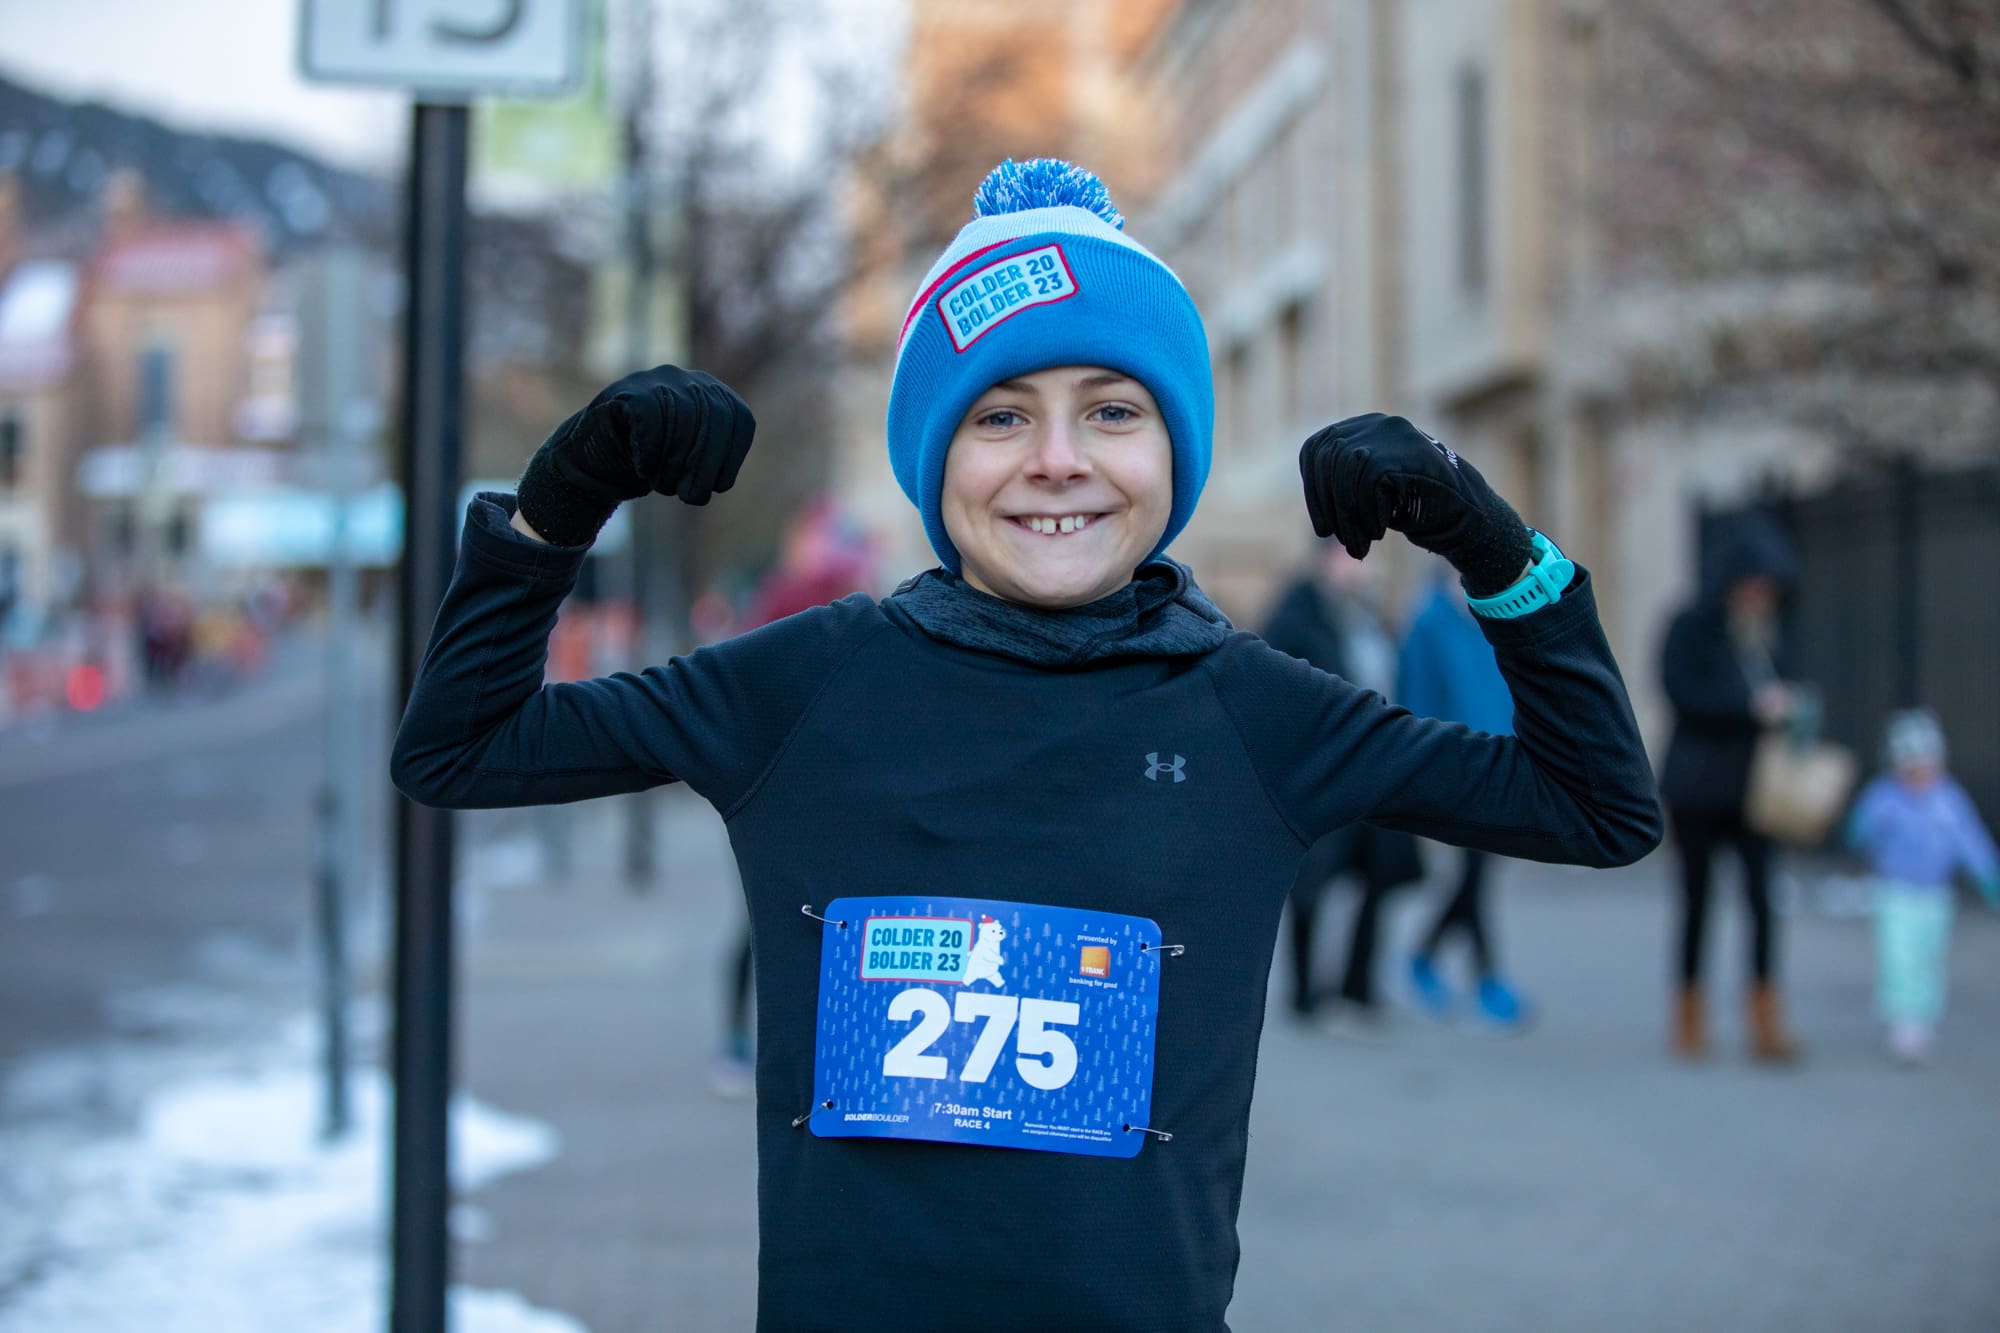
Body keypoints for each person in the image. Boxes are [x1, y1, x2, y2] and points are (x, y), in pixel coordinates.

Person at [392, 158, 1660, 1330]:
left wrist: (1489, 543)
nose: (1058, 462)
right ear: (932, 459)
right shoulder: (812, 682)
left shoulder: (1256, 710)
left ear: (1174, 450)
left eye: (1111, 411)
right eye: (999, 417)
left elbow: (1595, 806)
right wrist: (561, 499)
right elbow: (462, 746)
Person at [713, 498, 880, 1098]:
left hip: (812, 786)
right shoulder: (804, 598)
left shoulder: (846, 600)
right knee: (788, 920)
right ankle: (749, 1046)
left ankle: (754, 1046)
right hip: (795, 785)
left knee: (782, 920)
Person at [1659, 514, 1804, 1063]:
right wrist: (1748, 708)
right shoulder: (1689, 626)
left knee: (1763, 902)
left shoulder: (1766, 637)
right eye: (1754, 585)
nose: (1761, 596)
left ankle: (1764, 1019)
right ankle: (1689, 1014)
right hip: (1698, 789)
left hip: (1756, 792)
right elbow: (1681, 692)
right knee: (1697, 902)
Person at [1258, 543, 1421, 1027]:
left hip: (1374, 771)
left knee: (1383, 874)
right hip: (1322, 773)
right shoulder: (1297, 612)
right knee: (1312, 883)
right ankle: (1305, 993)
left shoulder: (1364, 614)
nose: (1364, 568)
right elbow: (1273, 688)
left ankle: (1358, 985)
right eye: (1355, 558)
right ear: (1328, 559)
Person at [1398, 564, 1533, 1029]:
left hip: (1502, 764)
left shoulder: (1489, 617)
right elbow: (1413, 701)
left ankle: (1426, 957)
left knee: (1477, 876)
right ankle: (1486, 979)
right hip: (1455, 767)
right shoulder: (1428, 624)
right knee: (1475, 874)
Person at [1846, 709, 2000, 1065]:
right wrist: (1861, 826)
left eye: (1926, 764)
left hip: (1935, 894)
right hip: (1895, 893)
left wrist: (1989, 875)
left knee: (1929, 956)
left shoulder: (1949, 799)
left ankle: (1924, 1014)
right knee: (1899, 957)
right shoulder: (1884, 797)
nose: (1919, 773)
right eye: (1911, 765)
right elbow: (1860, 830)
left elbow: (1970, 839)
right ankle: (1904, 1018)